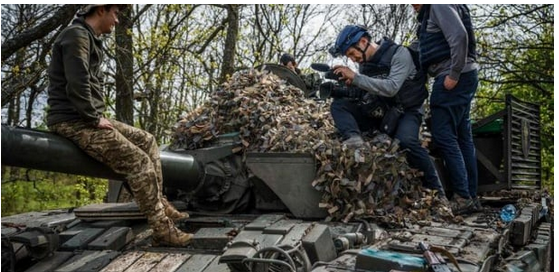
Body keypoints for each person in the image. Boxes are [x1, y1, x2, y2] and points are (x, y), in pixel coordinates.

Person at [46, 4, 192, 247]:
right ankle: (163, 231)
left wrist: (93, 116)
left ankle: (159, 202)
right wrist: (93, 117)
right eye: (115, 13)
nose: (116, 20)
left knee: (147, 140)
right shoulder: (76, 36)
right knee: (139, 163)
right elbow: (77, 82)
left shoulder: (88, 37)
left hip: (84, 117)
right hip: (72, 121)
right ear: (101, 10)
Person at [327, 25, 448, 203]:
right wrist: (348, 86)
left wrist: (356, 78)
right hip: (382, 112)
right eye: (350, 57)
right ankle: (354, 140)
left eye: (353, 54)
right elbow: (368, 91)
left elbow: (391, 87)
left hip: (408, 111)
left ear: (363, 41)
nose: (354, 60)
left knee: (407, 141)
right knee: (339, 106)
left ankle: (437, 192)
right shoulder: (364, 67)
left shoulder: (399, 54)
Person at [412, 4, 479, 214]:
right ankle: (470, 195)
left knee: (444, 136)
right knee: (462, 137)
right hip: (466, 75)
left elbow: (459, 35)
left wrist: (454, 74)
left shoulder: (438, 5)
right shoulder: (436, 10)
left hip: (452, 76)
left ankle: (462, 197)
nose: (412, 6)